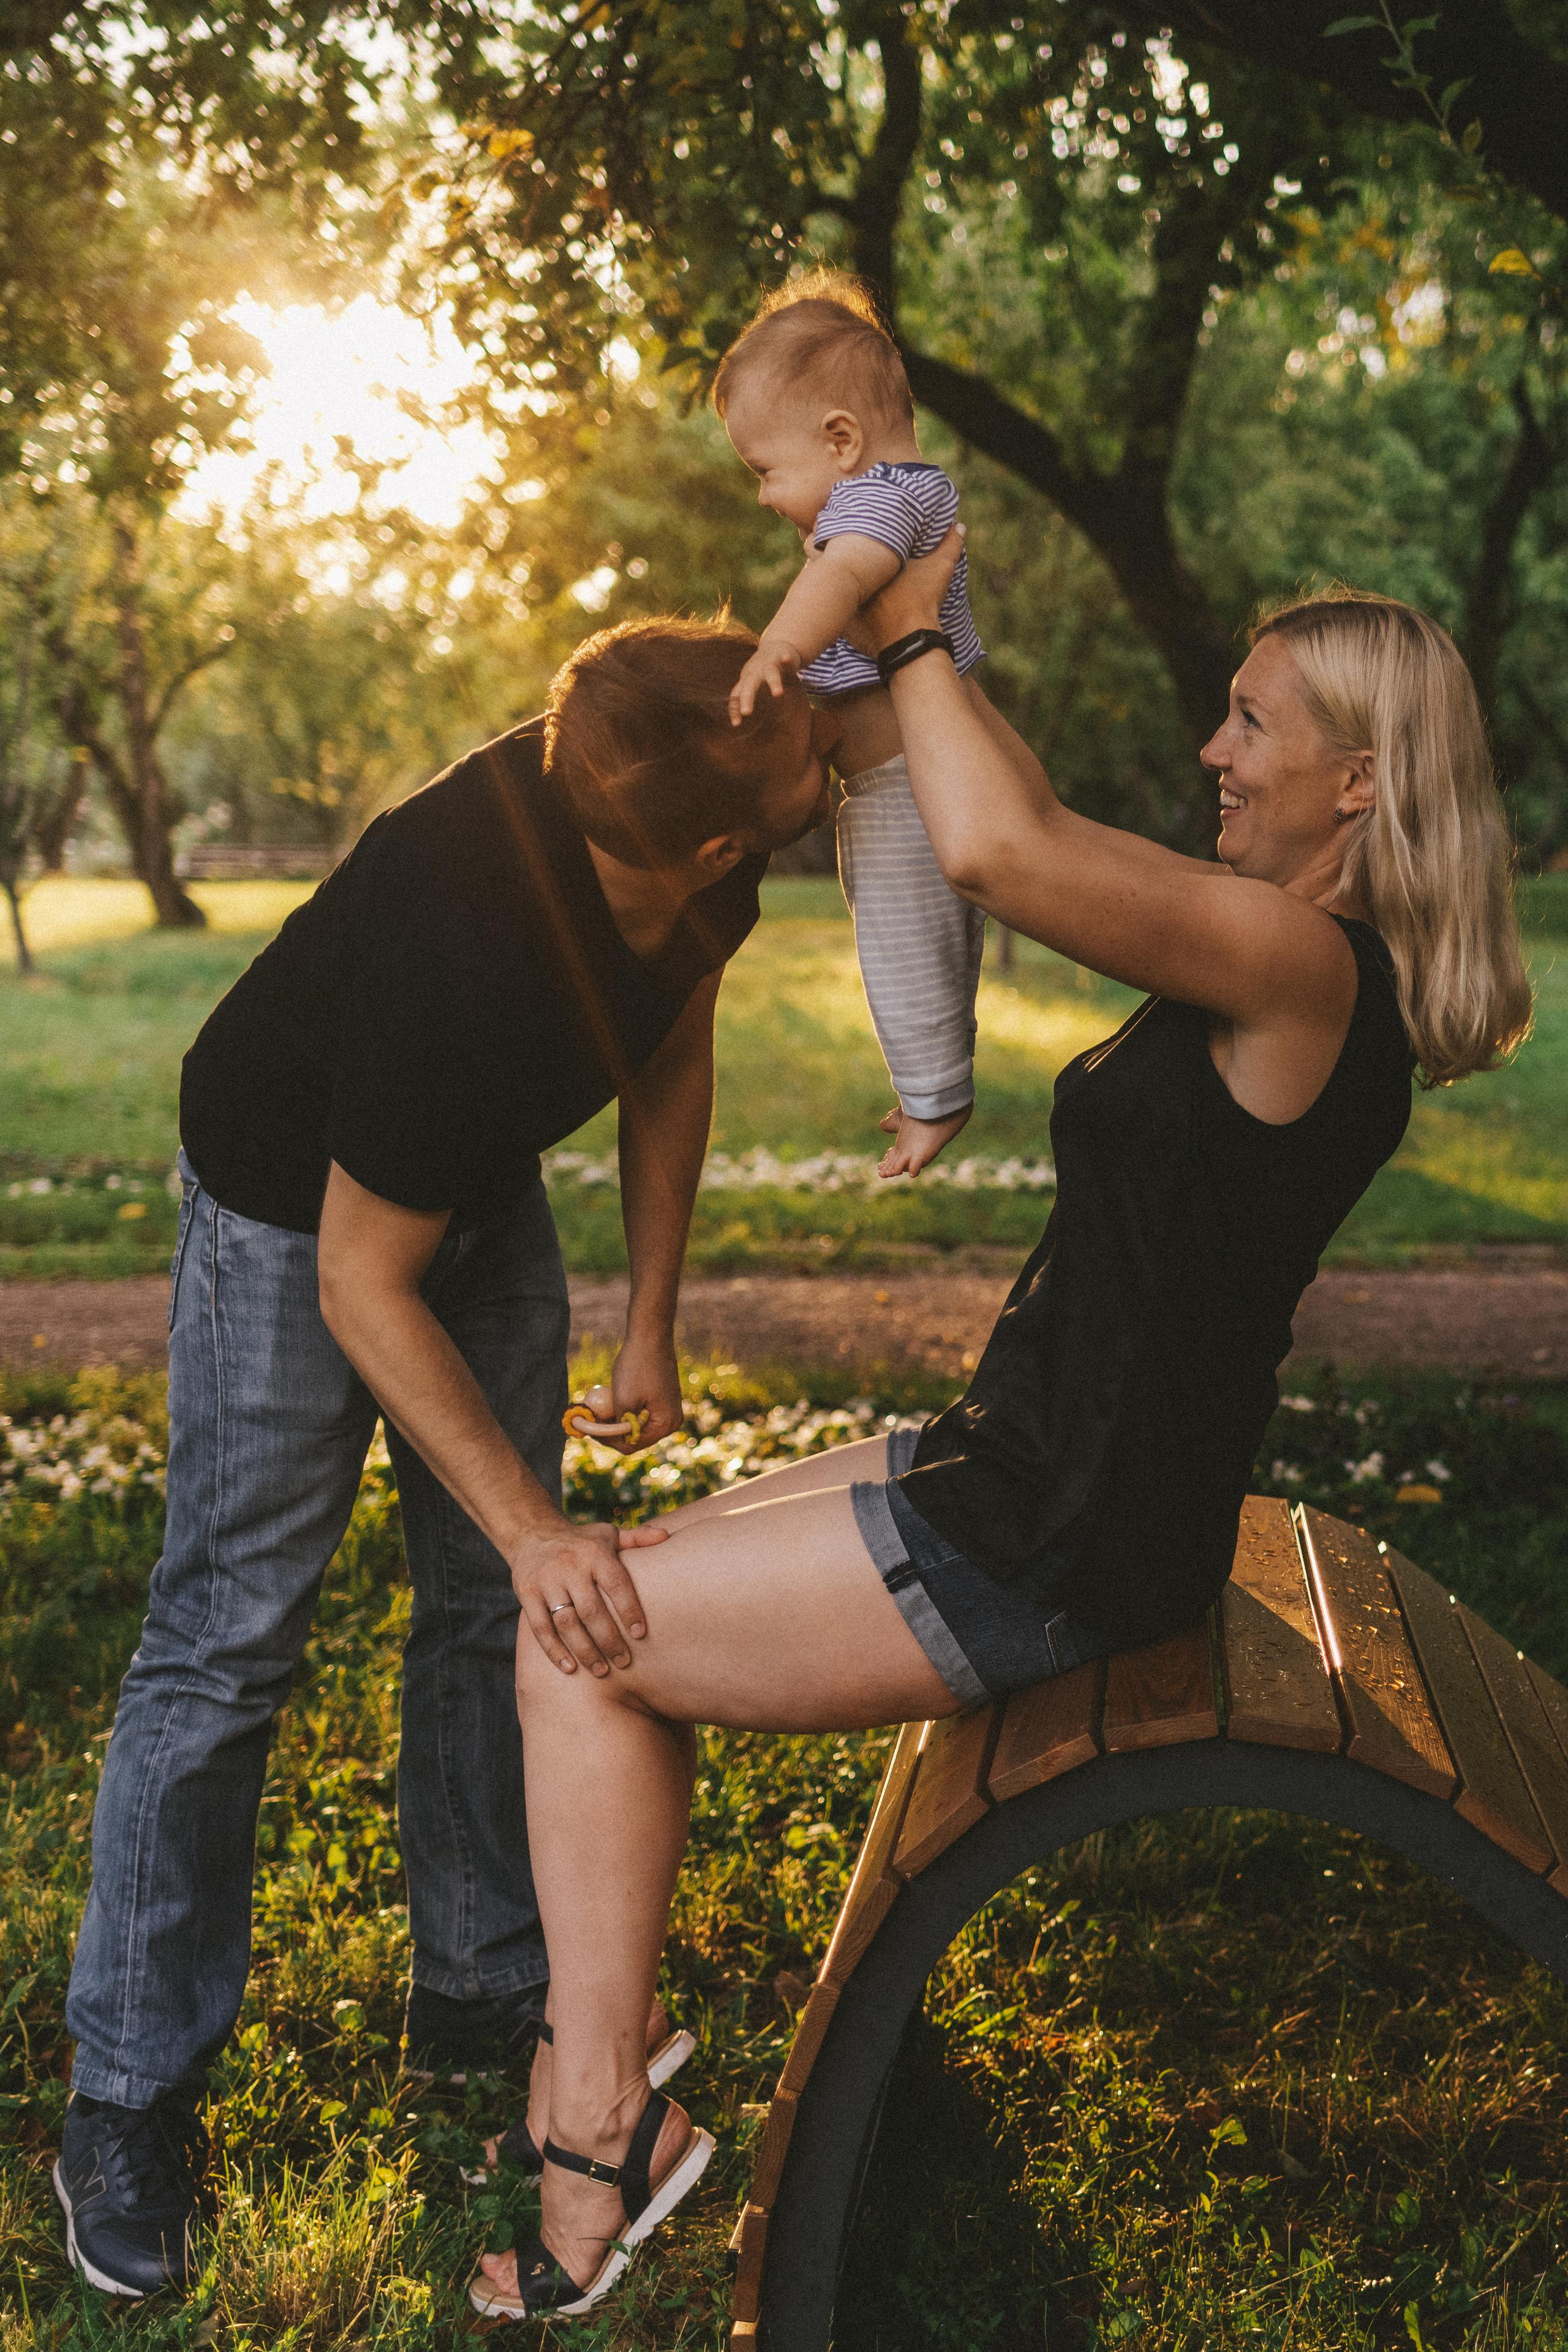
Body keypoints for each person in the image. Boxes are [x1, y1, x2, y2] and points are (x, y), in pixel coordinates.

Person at [469, 564, 1532, 2318]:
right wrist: (928, 624)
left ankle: (598, 2137)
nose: (1215, 745)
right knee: (623, 1588)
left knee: (574, 1637)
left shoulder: (1301, 965)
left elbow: (1003, 854)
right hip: (1036, 1476)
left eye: (1255, 720)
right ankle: (611, 2049)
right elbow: (1017, 814)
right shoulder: (1288, 946)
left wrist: (896, 606)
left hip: (1055, 1531)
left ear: (1362, 781)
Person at [53, 616, 841, 2301]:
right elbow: (359, 1278)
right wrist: (542, 1521)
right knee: (227, 1646)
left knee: (496, 1615)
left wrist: (652, 1310)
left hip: (466, 1183)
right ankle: (125, 2095)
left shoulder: (703, 842)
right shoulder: (460, 934)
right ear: (716, 832)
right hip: (293, 1213)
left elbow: (668, 1044)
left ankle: (483, 1989)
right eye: (799, 736)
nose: (826, 731)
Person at [717, 274, 988, 1179]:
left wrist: (780, 650)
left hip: (904, 785)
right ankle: (936, 1079)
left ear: (841, 440)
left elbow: (837, 582)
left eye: (765, 470)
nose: (763, 498)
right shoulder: (905, 493)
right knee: (925, 938)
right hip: (910, 779)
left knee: (904, 941)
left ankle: (934, 1100)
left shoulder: (877, 504)